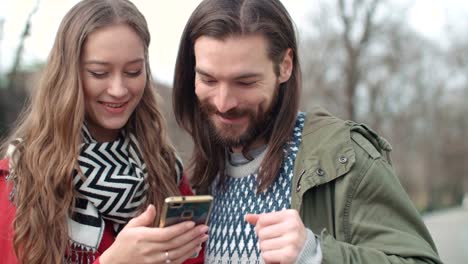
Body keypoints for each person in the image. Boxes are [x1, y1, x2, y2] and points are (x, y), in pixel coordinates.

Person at [172, 0, 442, 263]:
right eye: (208, 79)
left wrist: (316, 255)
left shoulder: (346, 159)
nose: (223, 102)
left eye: (245, 82)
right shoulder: (190, 180)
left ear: (285, 66)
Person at [0, 0, 207, 263]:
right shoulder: (19, 179)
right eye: (99, 73)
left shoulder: (165, 171)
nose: (119, 89)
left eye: (133, 71)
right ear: (68, 75)